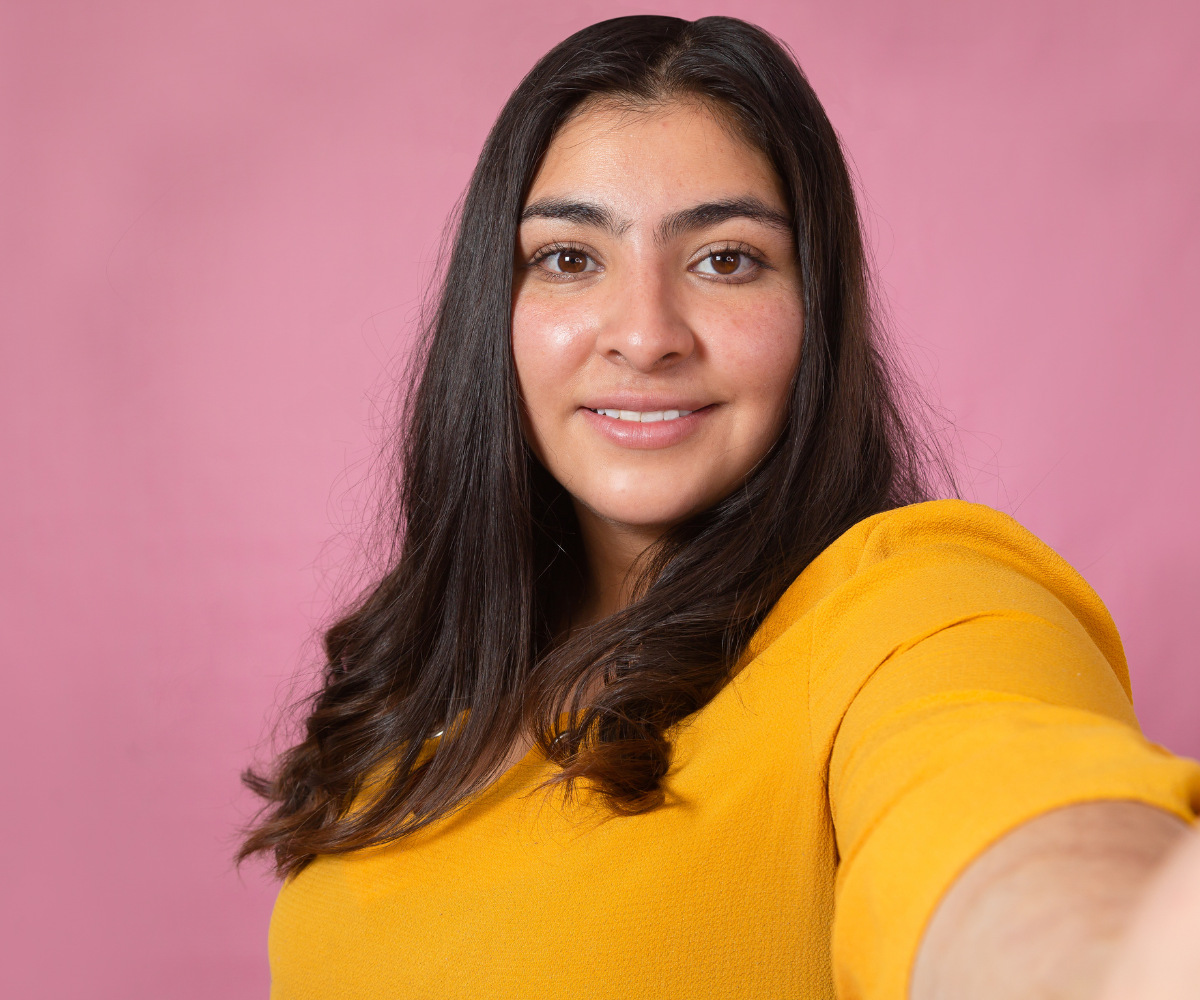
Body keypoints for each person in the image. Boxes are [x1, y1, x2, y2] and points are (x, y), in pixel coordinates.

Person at [240, 15, 1200, 999]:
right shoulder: (408, 722)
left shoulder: (908, 609)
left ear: (816, 311)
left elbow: (1020, 838)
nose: (646, 334)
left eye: (725, 259)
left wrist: (1117, 954)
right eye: (570, 257)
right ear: (499, 310)